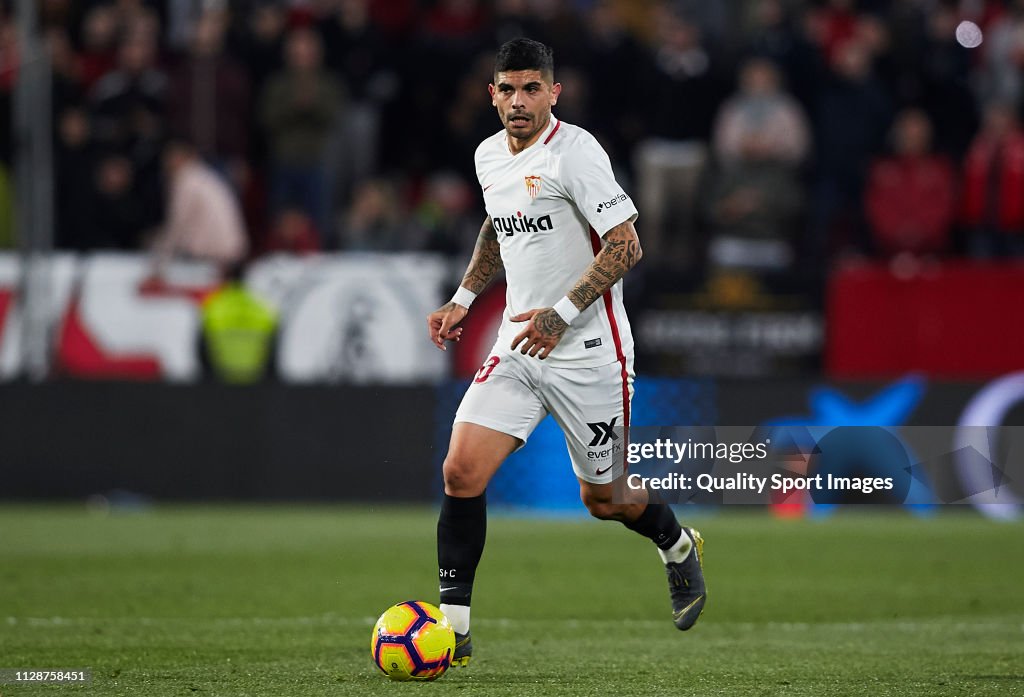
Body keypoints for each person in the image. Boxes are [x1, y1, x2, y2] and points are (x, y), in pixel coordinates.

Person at [426, 38, 706, 668]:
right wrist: (464, 300)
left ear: (554, 93)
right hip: (521, 345)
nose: (518, 101)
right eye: (507, 89)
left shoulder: (576, 152)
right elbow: (499, 225)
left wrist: (562, 313)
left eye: (532, 89)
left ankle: (677, 545)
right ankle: (453, 631)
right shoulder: (488, 156)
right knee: (460, 471)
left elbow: (626, 246)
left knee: (604, 500)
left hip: (590, 352)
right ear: (491, 93)